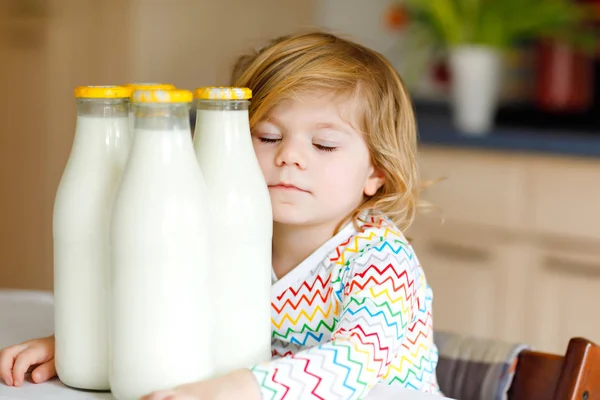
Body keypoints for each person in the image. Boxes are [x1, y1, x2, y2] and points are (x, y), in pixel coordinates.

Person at [0, 31, 441, 400]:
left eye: (323, 145)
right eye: (267, 136)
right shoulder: (225, 232)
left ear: (376, 172)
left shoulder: (379, 259)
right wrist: (90, 348)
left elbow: (355, 362)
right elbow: (167, 314)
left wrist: (234, 389)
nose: (289, 156)